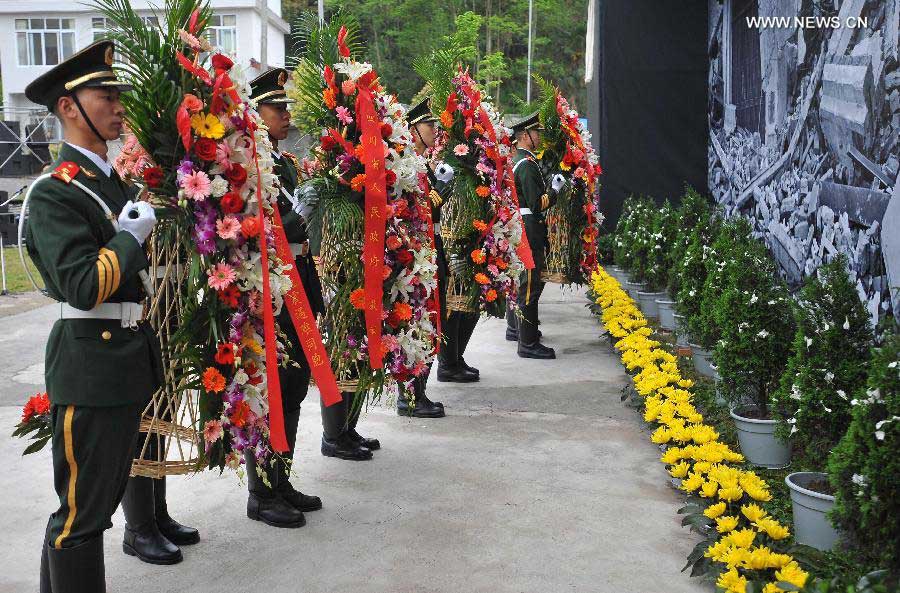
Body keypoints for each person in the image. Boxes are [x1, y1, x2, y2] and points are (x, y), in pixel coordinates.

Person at [24, 40, 163, 591]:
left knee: (93, 508)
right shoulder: (54, 193)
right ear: (68, 108)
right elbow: (83, 285)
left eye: (117, 95)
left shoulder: (108, 182)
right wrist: (130, 240)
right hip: (90, 364)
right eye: (104, 96)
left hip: (121, 362)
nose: (118, 106)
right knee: (81, 516)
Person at [245, 68, 325, 527]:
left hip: (299, 274)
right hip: (269, 282)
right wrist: (298, 216)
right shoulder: (248, 163)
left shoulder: (288, 162)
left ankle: (281, 478)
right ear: (255, 113)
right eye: (277, 108)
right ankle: (260, 493)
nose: (286, 114)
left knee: (293, 384)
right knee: (268, 385)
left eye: (286, 106)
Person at [396, 97, 454, 418]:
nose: (434, 130)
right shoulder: (407, 163)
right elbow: (415, 211)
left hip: (431, 250)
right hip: (416, 255)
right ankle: (410, 395)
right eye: (429, 125)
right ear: (414, 130)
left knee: (430, 322)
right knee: (418, 323)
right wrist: (439, 195)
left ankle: (418, 391)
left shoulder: (423, 165)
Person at [505, 112, 566, 359]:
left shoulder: (519, 159)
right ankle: (527, 343)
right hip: (529, 227)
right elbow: (537, 203)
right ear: (524, 136)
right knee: (530, 286)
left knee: (523, 283)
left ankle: (518, 330)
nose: (539, 137)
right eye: (536, 133)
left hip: (524, 226)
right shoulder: (527, 165)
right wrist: (554, 190)